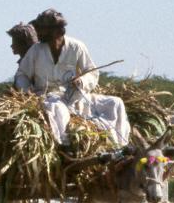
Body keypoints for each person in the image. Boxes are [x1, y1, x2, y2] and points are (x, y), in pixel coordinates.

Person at [15, 8, 130, 146]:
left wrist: (82, 81)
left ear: (57, 31)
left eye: (44, 30)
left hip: (76, 96)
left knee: (115, 103)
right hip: (48, 97)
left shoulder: (77, 47)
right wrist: (27, 91)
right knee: (58, 109)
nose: (40, 34)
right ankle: (65, 146)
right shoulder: (36, 51)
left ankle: (119, 146)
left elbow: (92, 72)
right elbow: (22, 75)